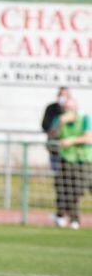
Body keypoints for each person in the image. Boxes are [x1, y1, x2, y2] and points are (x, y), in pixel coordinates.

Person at [51, 95, 90, 230]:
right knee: (63, 189)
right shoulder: (59, 119)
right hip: (66, 157)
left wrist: (72, 141)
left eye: (71, 107)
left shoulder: (84, 118)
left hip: (83, 158)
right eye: (66, 107)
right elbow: (52, 136)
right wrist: (60, 123)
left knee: (78, 189)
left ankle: (65, 215)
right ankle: (72, 219)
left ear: (75, 108)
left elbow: (89, 137)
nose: (68, 110)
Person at [43, 87, 71, 173]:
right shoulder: (51, 108)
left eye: (64, 95)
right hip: (55, 145)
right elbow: (45, 124)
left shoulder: (71, 109)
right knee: (55, 171)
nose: (62, 97)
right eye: (60, 95)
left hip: (69, 147)